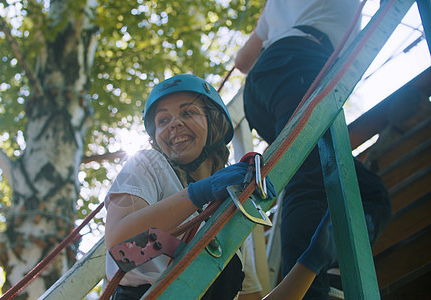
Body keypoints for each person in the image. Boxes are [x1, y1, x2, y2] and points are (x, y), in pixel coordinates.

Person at [234, 0, 392, 298]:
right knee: (310, 179)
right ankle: (309, 290)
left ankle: (328, 271)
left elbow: (242, 61)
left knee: (363, 192)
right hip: (300, 64)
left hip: (262, 90)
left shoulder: (275, 6)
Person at [104, 74, 266, 299]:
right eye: (162, 120)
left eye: (187, 112)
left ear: (214, 124)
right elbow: (120, 249)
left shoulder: (229, 215)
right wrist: (198, 193)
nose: (174, 123)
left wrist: (308, 264)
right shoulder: (149, 165)